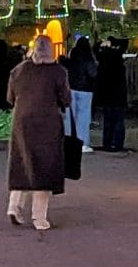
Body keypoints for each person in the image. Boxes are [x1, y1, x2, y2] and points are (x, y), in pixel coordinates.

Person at [6, 33, 72, 231]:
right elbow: (66, 100)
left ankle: (14, 206)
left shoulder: (19, 70)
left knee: (22, 163)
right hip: (48, 123)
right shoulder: (58, 72)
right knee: (45, 166)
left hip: (22, 122)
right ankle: (39, 218)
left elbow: (10, 97)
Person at [64, 33, 97, 152]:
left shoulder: (72, 56)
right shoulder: (89, 58)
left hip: (71, 88)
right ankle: (83, 143)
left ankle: (68, 141)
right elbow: (93, 73)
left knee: (69, 116)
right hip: (85, 90)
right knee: (83, 117)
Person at [95, 36, 129, 151]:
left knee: (108, 119)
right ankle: (117, 143)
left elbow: (94, 48)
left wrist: (102, 43)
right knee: (118, 119)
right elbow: (125, 42)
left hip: (106, 94)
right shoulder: (117, 57)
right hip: (118, 94)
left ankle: (107, 143)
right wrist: (112, 42)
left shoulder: (102, 59)